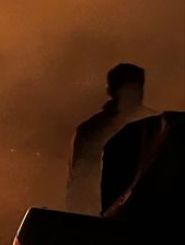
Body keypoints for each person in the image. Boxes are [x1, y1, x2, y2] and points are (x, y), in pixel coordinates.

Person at [67, 63, 156, 215]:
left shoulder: (155, 126)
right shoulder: (91, 131)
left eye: (136, 88)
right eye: (128, 89)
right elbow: (80, 182)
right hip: (103, 213)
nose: (133, 94)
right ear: (112, 91)